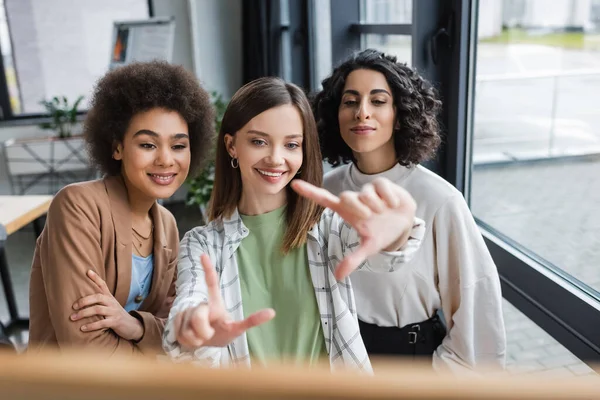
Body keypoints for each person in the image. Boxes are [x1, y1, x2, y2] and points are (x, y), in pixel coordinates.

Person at [162, 77, 425, 372]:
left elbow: (384, 255)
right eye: (258, 141)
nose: (276, 158)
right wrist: (194, 328)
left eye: (291, 144)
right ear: (231, 145)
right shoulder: (201, 244)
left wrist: (397, 232)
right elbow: (190, 302)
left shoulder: (326, 227)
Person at [312, 49, 506, 373]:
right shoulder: (326, 191)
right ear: (336, 114)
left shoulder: (439, 199)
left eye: (377, 101)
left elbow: (476, 307)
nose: (362, 112)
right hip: (335, 352)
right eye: (350, 101)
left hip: (409, 359)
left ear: (399, 114)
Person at [28, 61, 215, 356]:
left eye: (179, 146)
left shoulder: (166, 225)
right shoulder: (78, 206)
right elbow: (85, 348)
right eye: (148, 145)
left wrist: (135, 326)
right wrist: (157, 341)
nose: (166, 160)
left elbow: (177, 330)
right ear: (117, 147)